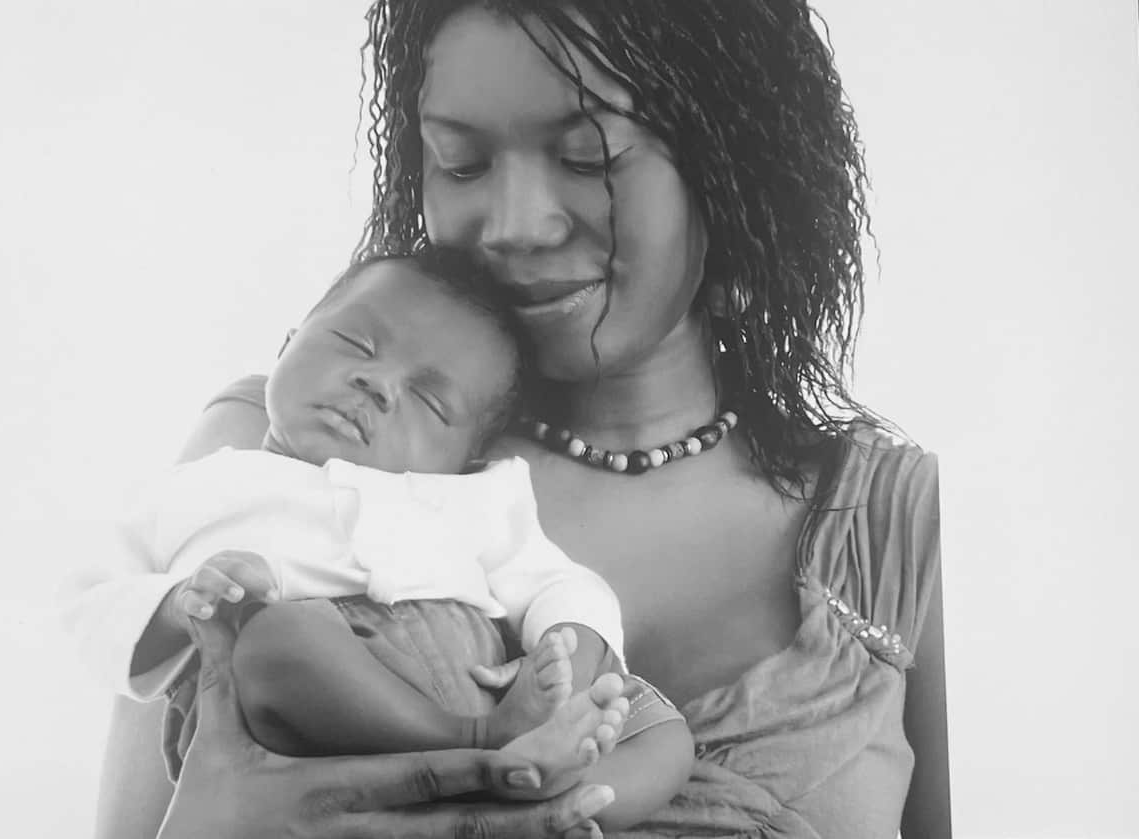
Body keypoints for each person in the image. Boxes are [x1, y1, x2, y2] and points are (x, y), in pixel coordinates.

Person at [94, 2, 949, 837]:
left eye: (587, 157)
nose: (515, 227)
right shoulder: (275, 443)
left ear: (732, 170)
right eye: (462, 163)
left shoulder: (891, 524)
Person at [67, 249, 694, 830]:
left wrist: (569, 647)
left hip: (471, 673)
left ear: (464, 457)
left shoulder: (474, 497)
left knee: (660, 730)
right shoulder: (202, 485)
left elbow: (559, 581)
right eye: (356, 344)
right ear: (286, 345)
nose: (379, 384)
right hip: (303, 700)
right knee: (272, 637)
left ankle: (557, 801)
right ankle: (479, 751)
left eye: (430, 400)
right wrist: (180, 604)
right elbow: (92, 599)